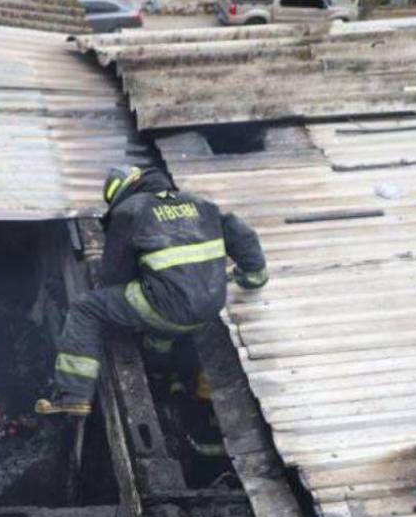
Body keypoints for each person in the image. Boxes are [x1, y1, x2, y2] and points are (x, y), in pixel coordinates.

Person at [36, 165, 268, 417]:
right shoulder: (200, 203)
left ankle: (73, 395)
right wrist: (253, 276)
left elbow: (114, 276)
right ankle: (162, 371)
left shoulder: (130, 212)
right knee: (160, 328)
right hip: (211, 306)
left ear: (121, 194)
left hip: (166, 309)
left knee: (85, 308)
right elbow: (242, 236)